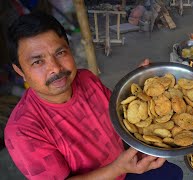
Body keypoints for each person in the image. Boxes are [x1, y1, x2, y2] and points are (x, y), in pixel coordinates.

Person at [4, 12, 183, 180]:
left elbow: (118, 112)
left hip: (127, 165)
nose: (56, 68)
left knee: (175, 173)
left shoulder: (86, 78)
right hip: (120, 169)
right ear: (20, 71)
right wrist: (117, 168)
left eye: (60, 53)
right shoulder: (22, 133)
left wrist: (137, 87)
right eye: (38, 61)